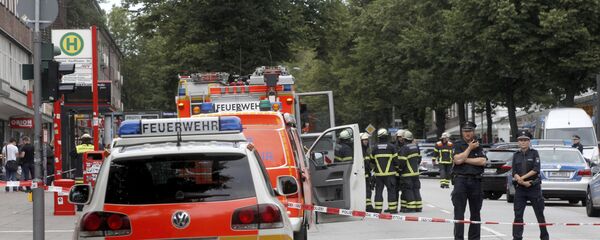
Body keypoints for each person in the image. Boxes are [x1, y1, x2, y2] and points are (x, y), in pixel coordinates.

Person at [512, 130, 549, 240]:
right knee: (518, 215)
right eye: (520, 140)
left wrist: (522, 179)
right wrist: (520, 180)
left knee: (540, 214)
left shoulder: (534, 153)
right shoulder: (516, 155)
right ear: (518, 142)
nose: (523, 142)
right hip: (520, 189)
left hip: (533, 187)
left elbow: (536, 170)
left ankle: (544, 237)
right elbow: (514, 171)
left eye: (525, 140)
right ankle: (517, 237)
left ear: (529, 141)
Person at [452, 121, 487, 240]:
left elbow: (482, 161)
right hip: (460, 181)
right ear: (462, 133)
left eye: (470, 131)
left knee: (476, 213)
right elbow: (456, 160)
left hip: (476, 181)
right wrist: (469, 149)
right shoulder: (458, 144)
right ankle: (459, 238)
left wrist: (464, 159)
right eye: (465, 131)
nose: (467, 134)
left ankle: (474, 238)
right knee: (459, 213)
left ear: (474, 132)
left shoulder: (478, 145)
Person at [370, 128, 399, 213]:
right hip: (390, 175)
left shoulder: (375, 148)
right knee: (391, 191)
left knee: (378, 192)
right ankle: (392, 209)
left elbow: (372, 161)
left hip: (379, 175)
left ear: (379, 137)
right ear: (387, 136)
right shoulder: (392, 147)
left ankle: (378, 209)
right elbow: (396, 161)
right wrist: (397, 169)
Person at [398, 130, 422, 212]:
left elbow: (402, 162)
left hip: (407, 174)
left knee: (408, 189)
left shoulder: (404, 148)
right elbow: (419, 159)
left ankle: (411, 207)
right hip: (415, 173)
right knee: (416, 189)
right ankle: (418, 207)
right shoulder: (416, 146)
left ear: (404, 139)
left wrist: (400, 170)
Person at [361, 132, 375, 212]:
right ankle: (368, 207)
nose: (366, 141)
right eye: (364, 140)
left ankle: (368, 206)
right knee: (367, 191)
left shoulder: (366, 151)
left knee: (368, 190)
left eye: (366, 140)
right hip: (363, 175)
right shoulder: (361, 151)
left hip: (367, 175)